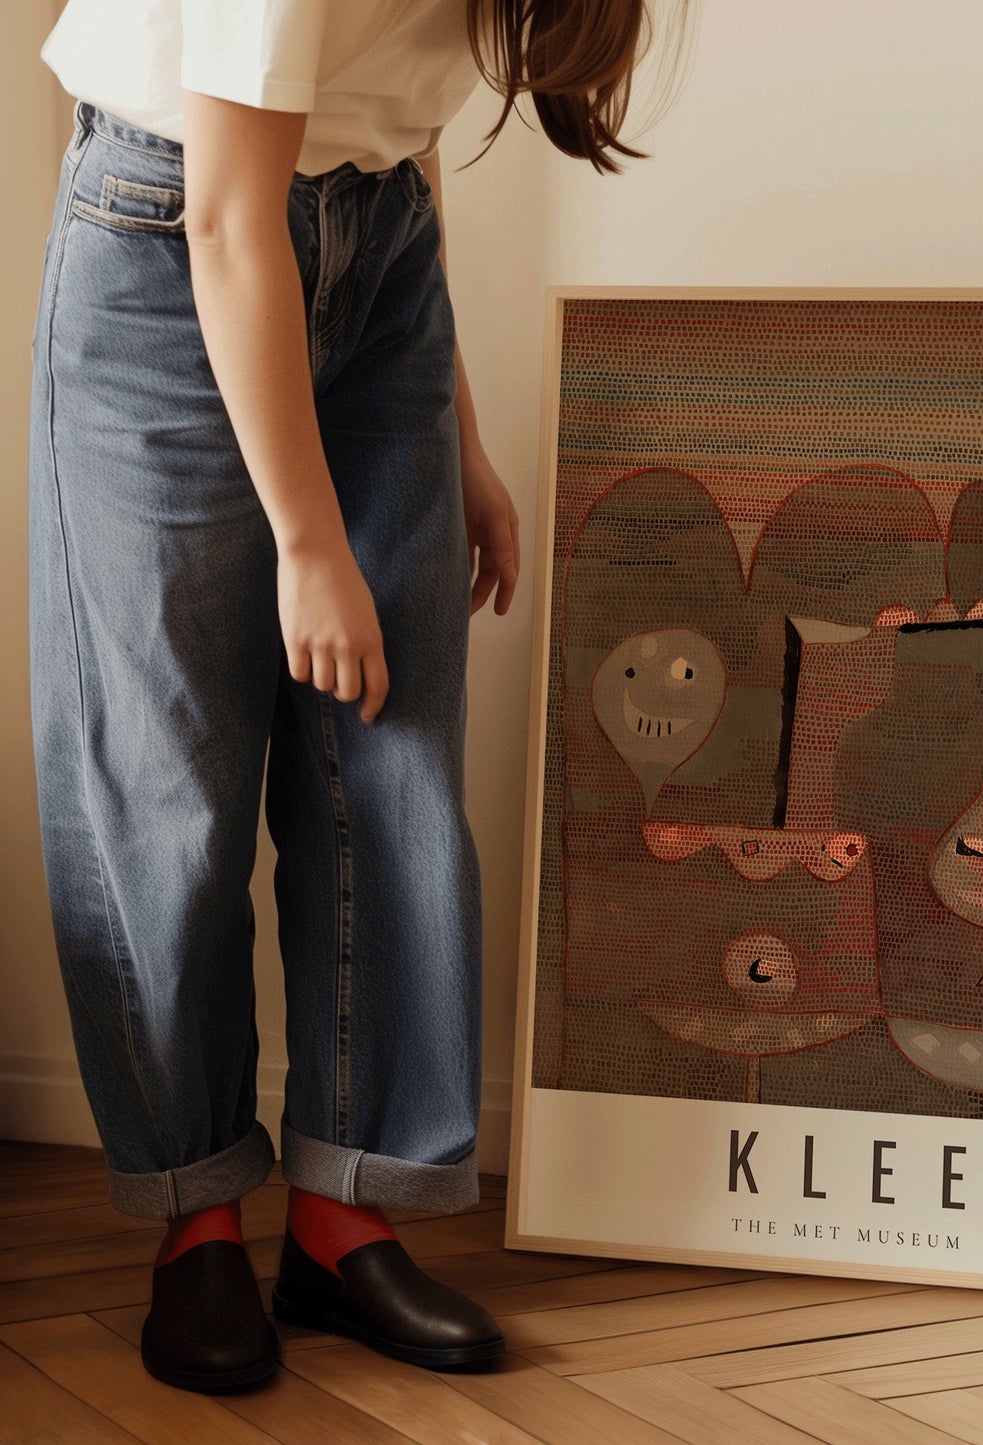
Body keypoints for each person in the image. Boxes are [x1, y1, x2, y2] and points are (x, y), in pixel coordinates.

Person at [30, 0, 690, 1396]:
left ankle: (340, 1214)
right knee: (169, 782)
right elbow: (225, 217)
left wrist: (460, 438)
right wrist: (309, 541)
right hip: (169, 250)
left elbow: (388, 144)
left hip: (377, 259)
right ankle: (197, 1217)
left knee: (389, 769)